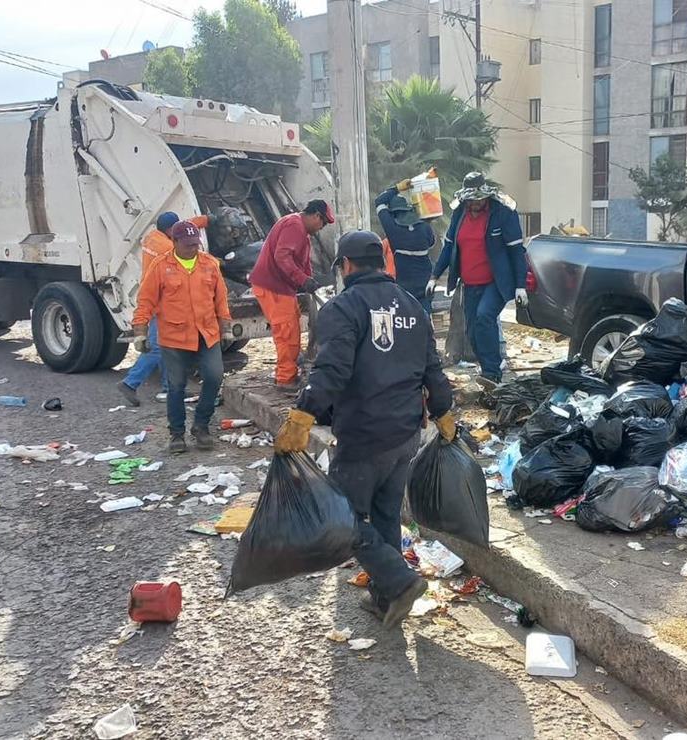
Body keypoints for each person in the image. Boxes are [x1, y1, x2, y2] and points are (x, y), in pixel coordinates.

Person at [274, 230, 455, 629]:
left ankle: (399, 580)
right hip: (406, 435)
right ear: (382, 263)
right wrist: (444, 414)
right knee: (386, 515)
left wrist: (303, 415)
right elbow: (433, 370)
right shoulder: (412, 306)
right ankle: (386, 597)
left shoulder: (344, 307)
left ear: (346, 265)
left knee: (343, 520)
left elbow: (331, 371)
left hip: (364, 435)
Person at [133, 220, 232, 453]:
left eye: (195, 244)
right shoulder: (160, 266)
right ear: (174, 242)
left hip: (206, 333)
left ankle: (201, 426)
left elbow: (221, 299)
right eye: (188, 244)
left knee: (215, 376)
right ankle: (177, 434)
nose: (193, 248)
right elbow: (145, 300)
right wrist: (140, 332)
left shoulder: (209, 264)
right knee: (176, 385)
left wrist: (226, 327)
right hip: (174, 337)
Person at [426, 172, 529, 389]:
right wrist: (434, 276)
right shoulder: (459, 213)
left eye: (479, 199)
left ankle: (492, 372)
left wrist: (520, 285)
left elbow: (516, 251)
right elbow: (448, 247)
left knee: (484, 317)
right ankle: (487, 369)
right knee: (473, 331)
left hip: (496, 282)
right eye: (471, 200)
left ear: (486, 196)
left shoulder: (502, 212)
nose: (475, 204)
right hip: (470, 283)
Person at [118, 211, 210, 406]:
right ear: (169, 230)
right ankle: (130, 383)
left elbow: (184, 226)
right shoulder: (166, 247)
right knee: (157, 349)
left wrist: (206, 220)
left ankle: (171, 389)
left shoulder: (153, 236)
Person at [250, 200, 334, 390]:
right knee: (287, 333)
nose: (321, 228)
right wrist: (303, 280)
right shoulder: (294, 226)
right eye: (323, 223)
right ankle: (285, 379)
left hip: (276, 286)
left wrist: (308, 280)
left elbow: (300, 261)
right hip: (274, 286)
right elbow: (282, 257)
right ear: (316, 215)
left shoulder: (297, 227)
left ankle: (288, 371)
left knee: (290, 328)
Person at [375, 181, 436, 311]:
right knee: (424, 319)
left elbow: (379, 202)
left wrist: (397, 188)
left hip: (404, 288)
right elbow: (431, 242)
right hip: (424, 286)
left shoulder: (392, 228)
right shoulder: (424, 226)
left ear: (393, 213)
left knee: (406, 320)